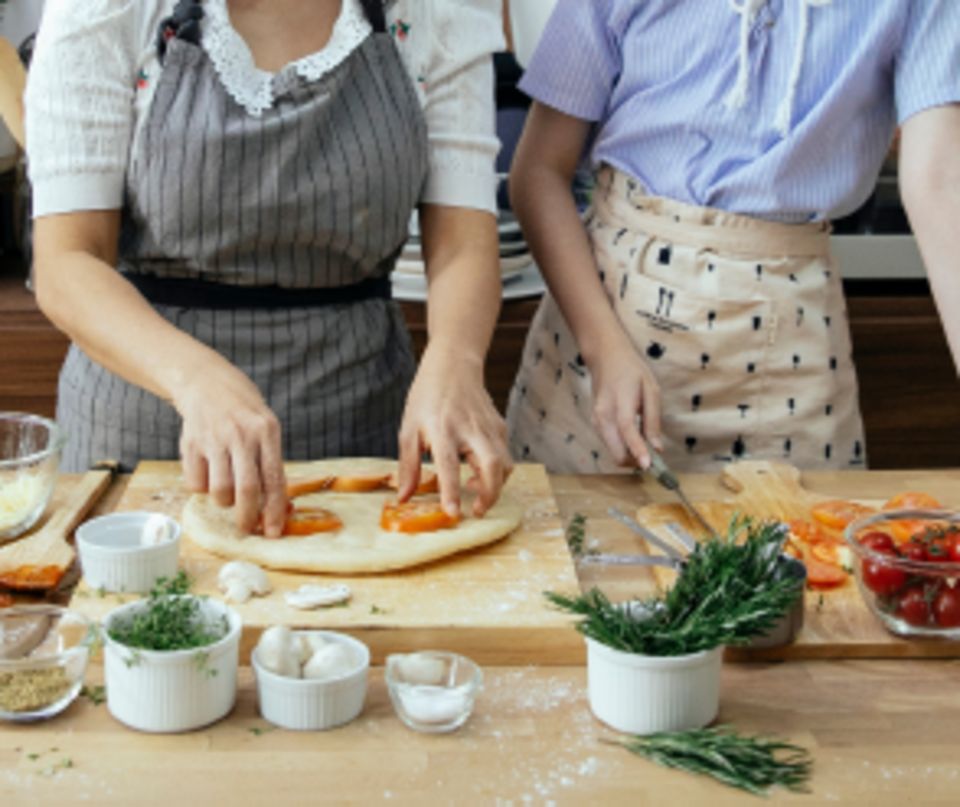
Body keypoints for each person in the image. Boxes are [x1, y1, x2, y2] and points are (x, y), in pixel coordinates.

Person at [26, 0, 512, 537]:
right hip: (144, 438)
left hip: (357, 428)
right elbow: (67, 261)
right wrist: (195, 379)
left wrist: (457, 359)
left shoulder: (433, 13)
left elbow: (463, 242)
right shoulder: (109, 11)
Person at [506, 0, 960, 474]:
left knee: (807, 544)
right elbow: (538, 172)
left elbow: (942, 185)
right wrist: (602, 348)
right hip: (605, 327)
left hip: (792, 344)